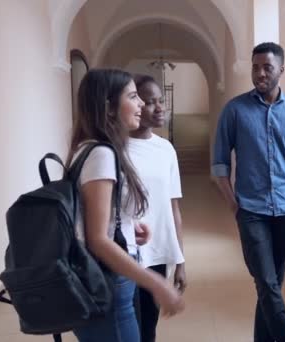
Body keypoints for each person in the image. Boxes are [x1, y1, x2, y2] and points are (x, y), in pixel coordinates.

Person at [67, 69, 184, 342]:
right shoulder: (101, 154)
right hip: (109, 281)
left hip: (104, 281)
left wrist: (129, 226)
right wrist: (155, 282)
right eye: (133, 97)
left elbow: (93, 220)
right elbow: (97, 240)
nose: (142, 104)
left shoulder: (88, 147)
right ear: (109, 108)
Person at [212, 42, 285, 342]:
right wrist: (234, 206)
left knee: (271, 285)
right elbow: (219, 164)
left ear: (281, 70)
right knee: (267, 283)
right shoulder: (235, 110)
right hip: (251, 212)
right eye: (255, 67)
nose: (259, 73)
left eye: (267, 67)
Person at [128, 74, 187, 342]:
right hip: (126, 253)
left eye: (161, 100)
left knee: (148, 329)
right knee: (130, 327)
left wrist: (181, 262)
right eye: (150, 102)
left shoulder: (166, 149)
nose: (160, 107)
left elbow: (173, 209)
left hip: (158, 255)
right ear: (136, 106)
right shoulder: (116, 149)